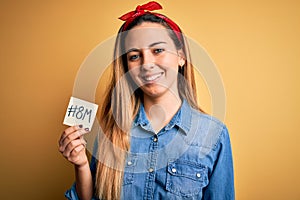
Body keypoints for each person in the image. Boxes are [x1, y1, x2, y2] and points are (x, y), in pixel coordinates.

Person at [58, 1, 235, 200]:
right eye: (134, 56)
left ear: (181, 56)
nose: (147, 64)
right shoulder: (110, 130)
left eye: (158, 50)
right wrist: (81, 165)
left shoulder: (214, 135)